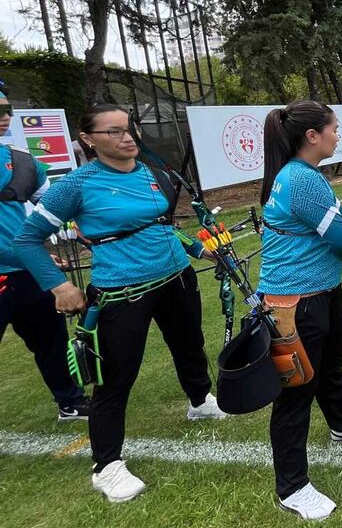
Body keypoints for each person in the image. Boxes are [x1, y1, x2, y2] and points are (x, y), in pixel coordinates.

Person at [13, 104, 227, 503]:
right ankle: (106, 466)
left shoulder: (151, 173)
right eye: (113, 132)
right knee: (114, 378)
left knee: (189, 345)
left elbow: (163, 227)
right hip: (122, 290)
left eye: (128, 130)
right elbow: (26, 239)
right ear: (88, 140)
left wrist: (199, 250)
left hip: (177, 277)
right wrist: (58, 287)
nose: (127, 138)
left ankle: (200, 401)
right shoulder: (77, 185)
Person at [257, 100, 342, 521]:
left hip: (321, 291)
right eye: (333, 128)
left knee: (330, 366)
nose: (338, 135)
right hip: (294, 303)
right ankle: (292, 488)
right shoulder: (301, 180)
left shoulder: (305, 175)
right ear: (311, 136)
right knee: (296, 393)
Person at [0, 89, 89, 421]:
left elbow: (56, 207)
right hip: (20, 267)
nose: (5, 116)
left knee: (50, 340)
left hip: (29, 273)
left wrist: (87, 229)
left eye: (7, 109)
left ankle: (70, 401)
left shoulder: (23, 162)